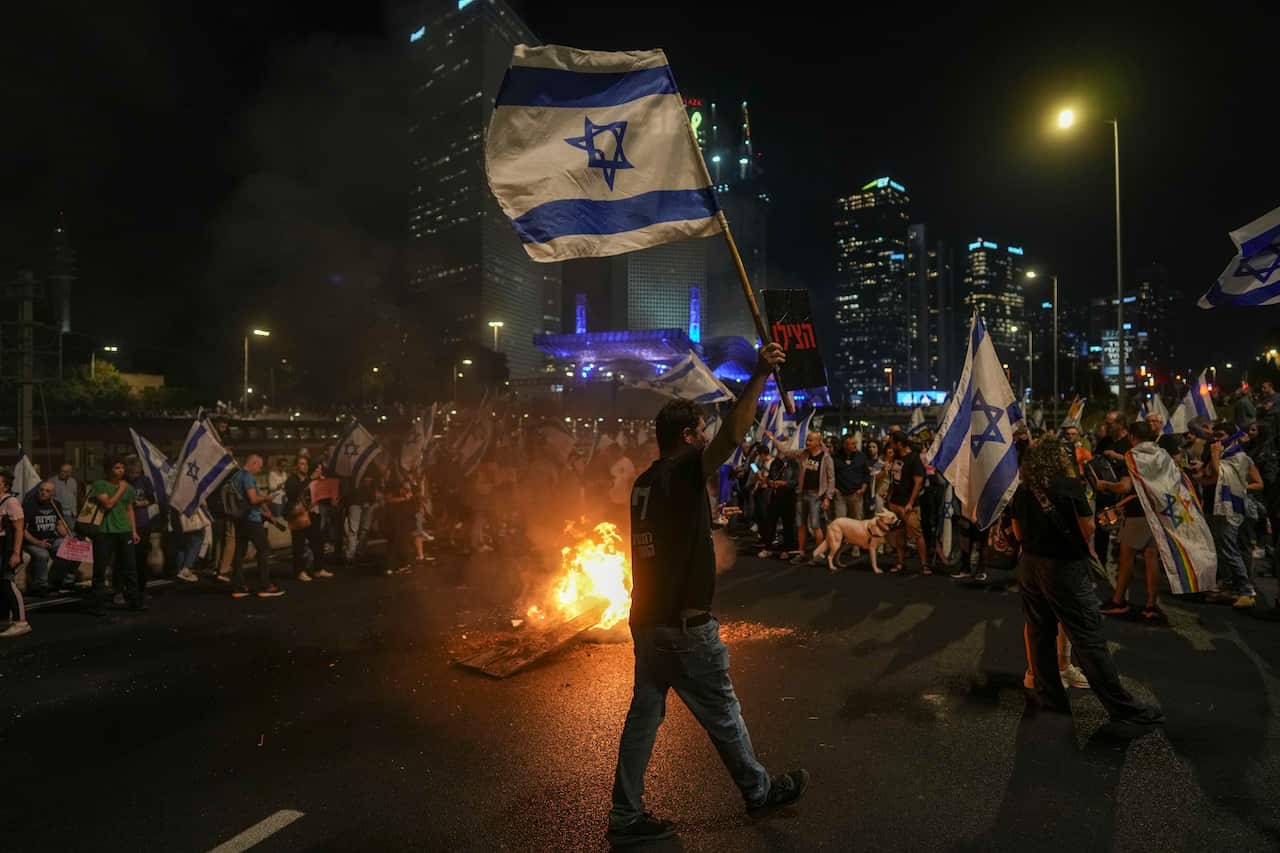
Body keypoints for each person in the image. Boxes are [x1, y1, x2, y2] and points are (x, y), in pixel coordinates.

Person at [607, 342, 807, 846]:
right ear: (687, 436)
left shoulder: (645, 481)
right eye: (700, 430)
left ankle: (625, 812)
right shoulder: (680, 470)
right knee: (724, 713)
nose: (706, 438)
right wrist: (760, 374)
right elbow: (735, 436)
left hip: (648, 621)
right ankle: (759, 791)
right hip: (683, 625)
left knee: (644, 716)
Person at [1010, 436, 1164, 734]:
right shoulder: (1070, 487)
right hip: (1064, 567)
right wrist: (1105, 518)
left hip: (1030, 565)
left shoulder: (1023, 489)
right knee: (1087, 636)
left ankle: (1051, 697)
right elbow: (1088, 529)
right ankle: (1122, 707)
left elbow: (1018, 533)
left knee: (1040, 631)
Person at [1099, 422, 1167, 623]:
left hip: (1137, 514)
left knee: (1126, 559)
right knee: (1151, 559)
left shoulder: (1133, 457)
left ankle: (1119, 601)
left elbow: (1123, 487)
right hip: (1158, 513)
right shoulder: (1162, 456)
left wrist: (1105, 485)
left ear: (1132, 437)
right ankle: (1151, 605)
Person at [229, 454, 284, 599]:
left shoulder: (235, 477)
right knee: (264, 549)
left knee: (239, 554)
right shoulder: (247, 477)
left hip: (239, 519)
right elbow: (253, 499)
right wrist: (267, 498)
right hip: (251, 520)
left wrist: (265, 509)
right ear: (253, 463)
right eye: (259, 467)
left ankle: (238, 587)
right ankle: (265, 586)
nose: (259, 470)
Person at [90, 460, 143, 609]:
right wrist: (121, 489)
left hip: (124, 531)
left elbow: (129, 509)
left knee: (130, 567)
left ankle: (135, 601)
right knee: (100, 568)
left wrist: (133, 531)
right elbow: (107, 504)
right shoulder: (100, 484)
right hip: (104, 531)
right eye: (117, 467)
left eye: (122, 468)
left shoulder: (129, 488)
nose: (121, 470)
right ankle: (98, 604)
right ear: (109, 470)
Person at [21, 481, 76, 596]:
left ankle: (66, 582)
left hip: (52, 539)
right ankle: (41, 586)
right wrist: (38, 542)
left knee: (70, 547)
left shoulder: (56, 504)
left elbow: (59, 524)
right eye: (41, 490)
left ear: (53, 494)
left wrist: (67, 536)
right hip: (32, 541)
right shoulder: (28, 505)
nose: (43, 493)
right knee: (42, 555)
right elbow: (22, 530)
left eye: (47, 491)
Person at [887, 431, 930, 575]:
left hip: (908, 504)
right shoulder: (897, 457)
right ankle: (901, 562)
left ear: (899, 443)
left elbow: (918, 482)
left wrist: (911, 503)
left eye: (892, 442)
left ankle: (924, 564)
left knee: (917, 534)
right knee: (899, 533)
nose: (890, 445)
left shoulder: (914, 459)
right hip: (895, 502)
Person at [793, 431, 835, 564]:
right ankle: (801, 553)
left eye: (810, 440)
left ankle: (819, 554)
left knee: (816, 525)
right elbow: (787, 451)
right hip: (802, 493)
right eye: (807, 440)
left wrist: (828, 497)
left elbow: (831, 479)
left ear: (818, 442)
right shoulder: (804, 454)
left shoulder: (826, 457)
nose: (807, 442)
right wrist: (773, 439)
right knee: (800, 525)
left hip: (816, 495)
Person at [0, 471, 31, 638]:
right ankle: (5, 618)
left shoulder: (11, 502)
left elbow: (19, 529)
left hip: (7, 548)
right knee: (1, 584)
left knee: (7, 582)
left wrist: (16, 553)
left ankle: (21, 622)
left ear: (6, 486)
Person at [284, 456, 323, 582]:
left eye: (306, 464)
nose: (304, 466)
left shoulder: (309, 479)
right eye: (301, 464)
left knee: (317, 542)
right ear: (296, 466)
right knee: (299, 545)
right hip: (298, 514)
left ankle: (318, 569)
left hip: (311, 513)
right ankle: (299, 571)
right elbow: (294, 493)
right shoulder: (291, 480)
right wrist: (310, 479)